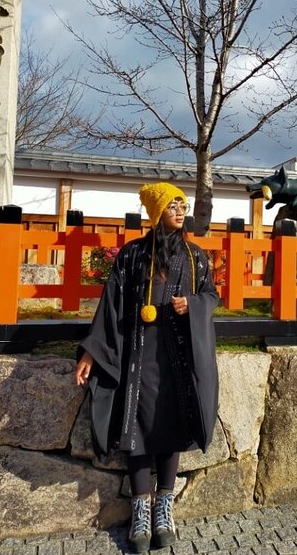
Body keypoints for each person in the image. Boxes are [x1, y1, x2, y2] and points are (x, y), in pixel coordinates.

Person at [75, 182, 219, 554]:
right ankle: (141, 507)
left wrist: (193, 304)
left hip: (177, 356)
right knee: (135, 426)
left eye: (182, 205)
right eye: (172, 206)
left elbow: (211, 295)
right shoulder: (132, 256)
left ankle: (164, 508)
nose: (180, 211)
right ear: (156, 212)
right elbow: (110, 305)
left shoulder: (195, 257)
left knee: (169, 424)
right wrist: (92, 353)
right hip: (138, 356)